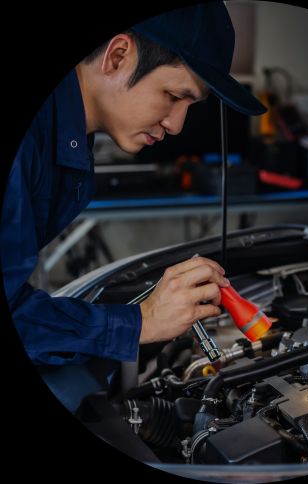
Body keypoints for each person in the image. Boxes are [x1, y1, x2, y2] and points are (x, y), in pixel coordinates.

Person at [0, 3, 266, 371]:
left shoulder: (67, 131)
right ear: (117, 56)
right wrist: (142, 320)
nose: (177, 125)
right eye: (174, 96)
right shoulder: (28, 142)